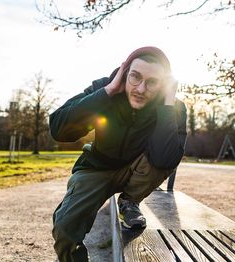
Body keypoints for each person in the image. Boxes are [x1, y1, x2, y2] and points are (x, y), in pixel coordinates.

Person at [50, 46, 187, 261]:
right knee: (65, 228)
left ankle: (129, 201)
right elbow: (59, 128)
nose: (141, 89)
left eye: (152, 82)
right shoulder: (104, 88)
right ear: (124, 72)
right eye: (135, 77)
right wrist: (108, 92)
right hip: (96, 168)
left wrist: (168, 105)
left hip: (137, 170)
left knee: (163, 157)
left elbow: (167, 159)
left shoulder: (172, 107)